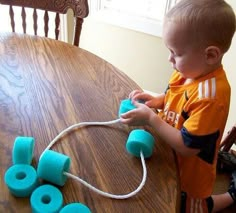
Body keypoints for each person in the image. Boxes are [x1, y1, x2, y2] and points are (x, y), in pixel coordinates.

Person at [120, 0, 236, 212]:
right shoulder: (189, 71)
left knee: (194, 208)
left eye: (176, 53)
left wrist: (151, 118)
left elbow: (187, 147)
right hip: (170, 155)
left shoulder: (210, 98)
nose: (169, 58)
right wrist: (157, 101)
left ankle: (231, 196)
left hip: (191, 171)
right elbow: (174, 96)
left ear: (210, 55)